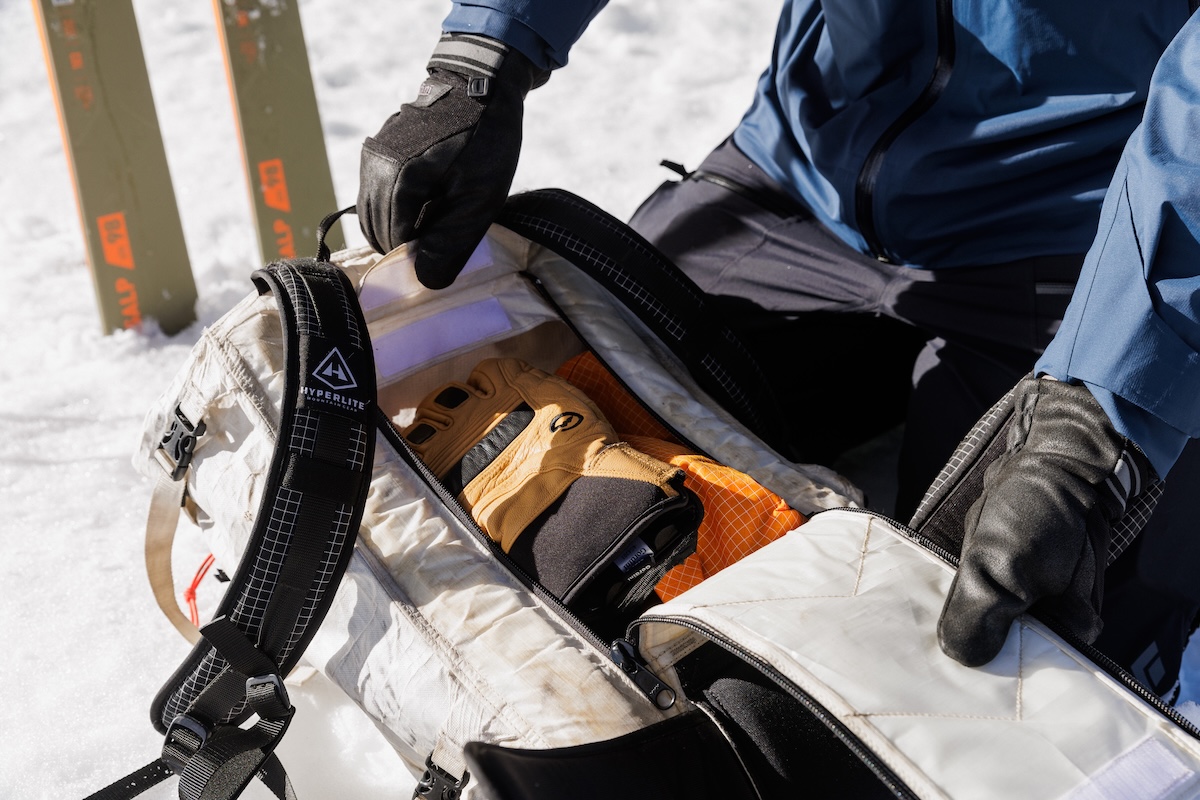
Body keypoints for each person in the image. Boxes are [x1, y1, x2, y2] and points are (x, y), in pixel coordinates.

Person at [356, 2, 1200, 695]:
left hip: (1087, 228)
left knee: (998, 633)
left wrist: (1105, 409)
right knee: (558, 401)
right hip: (800, 173)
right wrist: (486, 55)